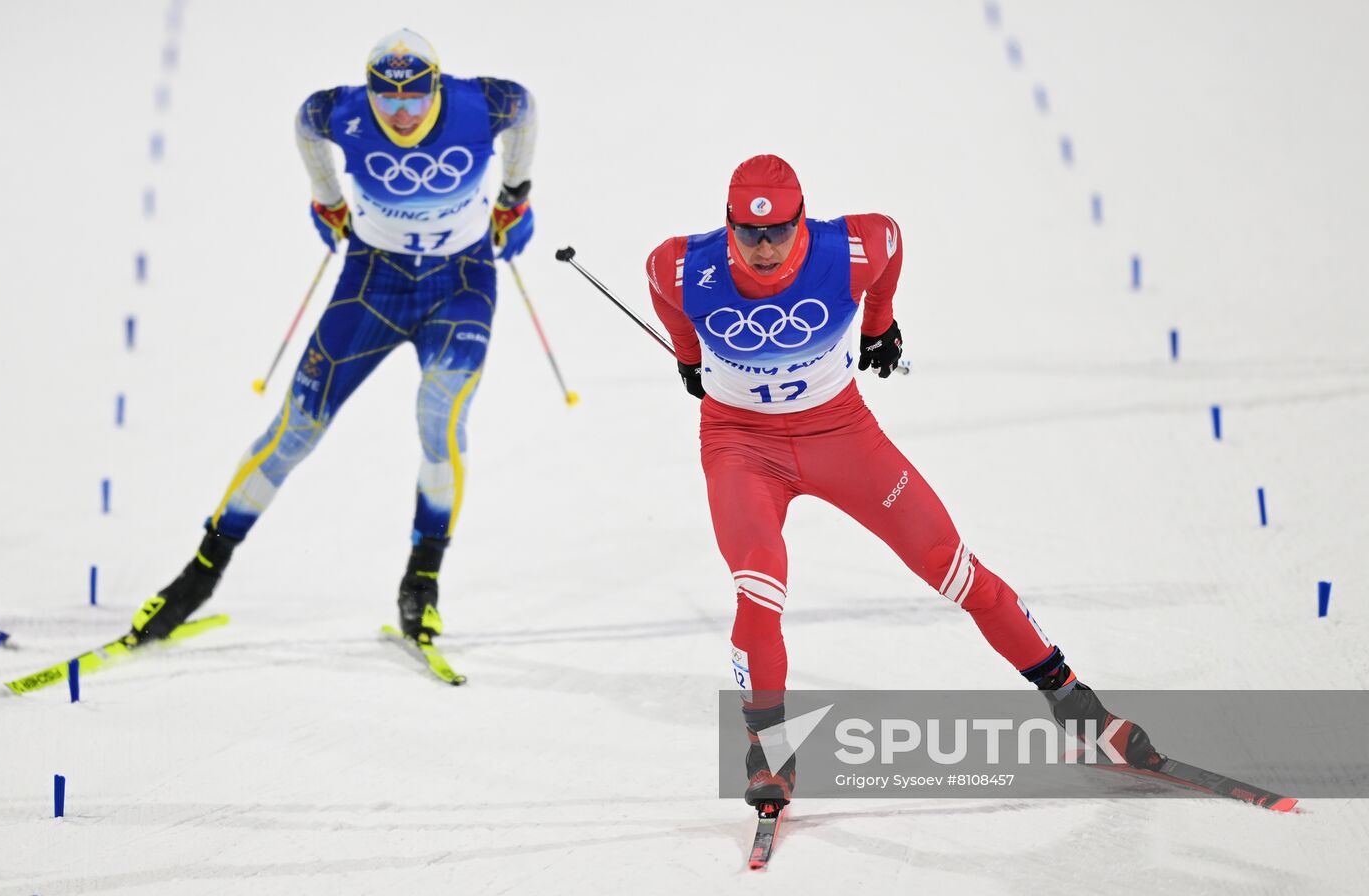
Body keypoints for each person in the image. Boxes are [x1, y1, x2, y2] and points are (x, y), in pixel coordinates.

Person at [644, 154, 1155, 812]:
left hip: (841, 436)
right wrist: (689, 357)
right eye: (749, 233)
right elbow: (665, 298)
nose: (765, 248)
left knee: (953, 568)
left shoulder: (855, 246)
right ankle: (767, 751)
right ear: (729, 226)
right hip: (743, 447)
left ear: (803, 221)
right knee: (760, 579)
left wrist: (881, 325)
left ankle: (1079, 708)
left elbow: (892, 246)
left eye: (779, 232)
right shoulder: (681, 266)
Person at [128, 28, 537, 649]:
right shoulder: (339, 111)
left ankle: (421, 582)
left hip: (460, 285)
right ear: (368, 92)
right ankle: (199, 576)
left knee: (439, 421)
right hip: (372, 282)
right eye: (387, 97)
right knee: (296, 429)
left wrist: (516, 193)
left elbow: (526, 108)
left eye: (416, 96)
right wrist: (326, 198)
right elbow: (305, 123)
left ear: (437, 84)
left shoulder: (482, 103)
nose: (401, 112)